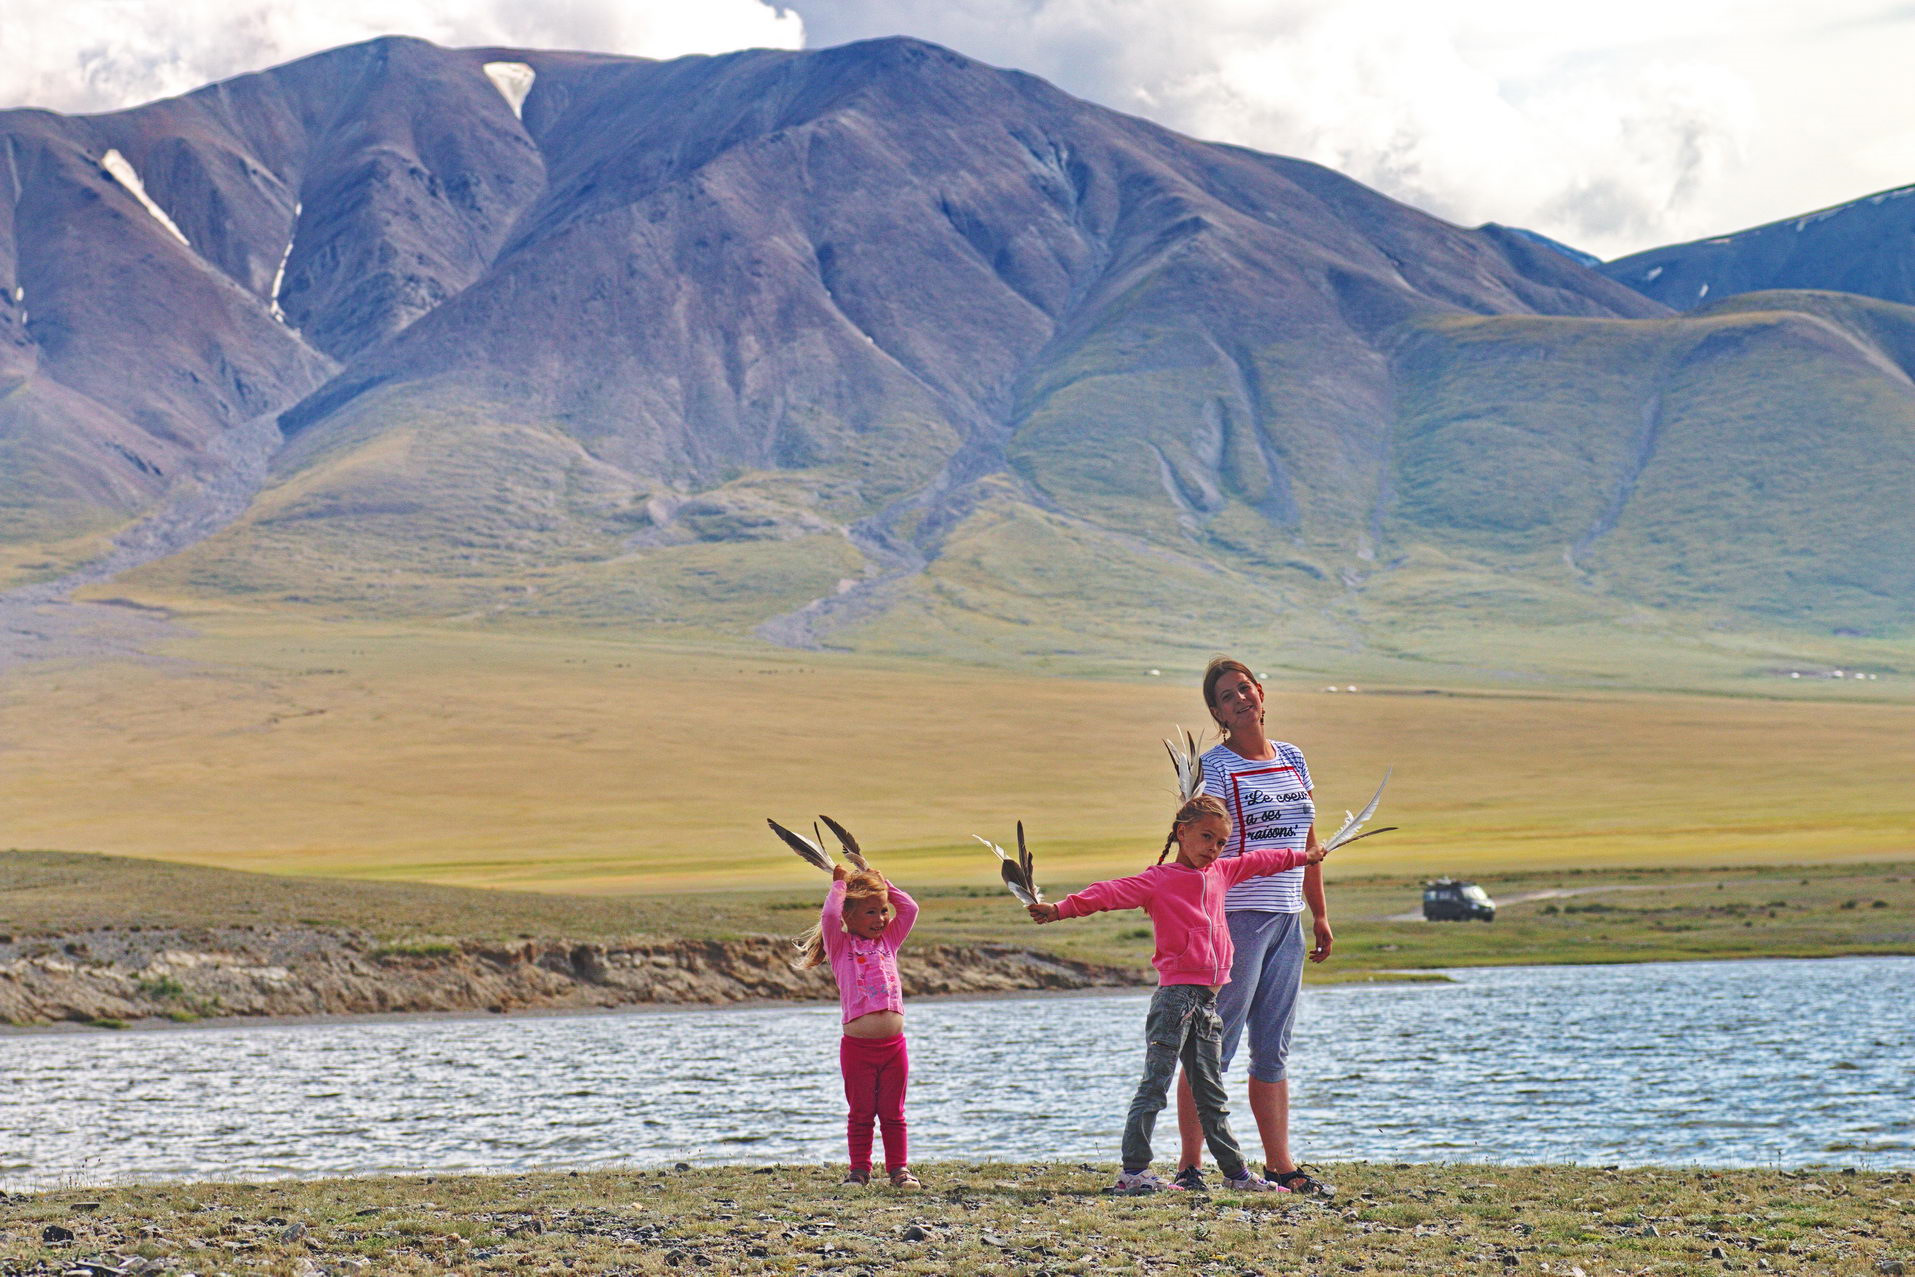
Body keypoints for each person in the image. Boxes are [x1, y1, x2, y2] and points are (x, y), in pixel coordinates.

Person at [1029, 793, 1329, 1194]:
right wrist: (1061, 909)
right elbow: (1108, 893)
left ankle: (1236, 1175)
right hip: (1175, 1000)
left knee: (1211, 1092)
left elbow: (1261, 861)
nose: (1214, 849)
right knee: (1155, 1086)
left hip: (1209, 1000)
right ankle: (1133, 1173)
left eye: (1221, 842)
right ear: (1181, 833)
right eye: (1206, 837)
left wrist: (1304, 857)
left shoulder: (1221, 873)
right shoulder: (1158, 880)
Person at [1173, 657, 1336, 1195]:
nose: (1240, 698)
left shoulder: (1293, 758)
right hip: (1235, 918)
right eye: (1226, 696)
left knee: (1273, 1046)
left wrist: (1319, 915)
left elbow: (1310, 847)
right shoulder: (1215, 767)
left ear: (1261, 693)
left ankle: (1280, 1164)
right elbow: (1199, 843)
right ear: (1216, 711)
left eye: (1245, 688)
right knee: (1212, 1044)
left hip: (1286, 916)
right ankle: (1190, 1166)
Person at [794, 864, 920, 1187]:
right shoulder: (840, 947)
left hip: (894, 1048)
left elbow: (911, 909)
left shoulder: (889, 941)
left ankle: (899, 1171)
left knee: (894, 1113)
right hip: (858, 1050)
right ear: (849, 917)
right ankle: (859, 1171)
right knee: (862, 1113)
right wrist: (839, 887)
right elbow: (828, 919)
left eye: (883, 911)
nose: (881, 918)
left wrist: (880, 883)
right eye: (870, 912)